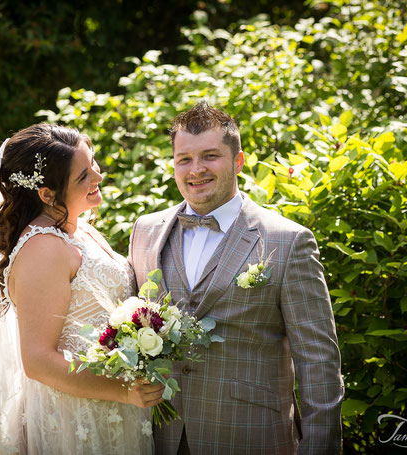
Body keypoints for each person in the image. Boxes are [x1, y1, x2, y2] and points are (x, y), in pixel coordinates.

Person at [128, 102, 344, 454]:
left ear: (238, 162)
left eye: (210, 156)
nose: (196, 170)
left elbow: (319, 362)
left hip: (251, 436)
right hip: (159, 436)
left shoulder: (287, 241)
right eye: (184, 159)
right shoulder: (145, 231)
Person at [0, 123, 164, 454]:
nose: (98, 177)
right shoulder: (43, 250)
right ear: (47, 194)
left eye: (93, 164)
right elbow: (38, 360)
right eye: (83, 176)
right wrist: (122, 390)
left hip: (113, 409)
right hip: (76, 421)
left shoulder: (81, 231)